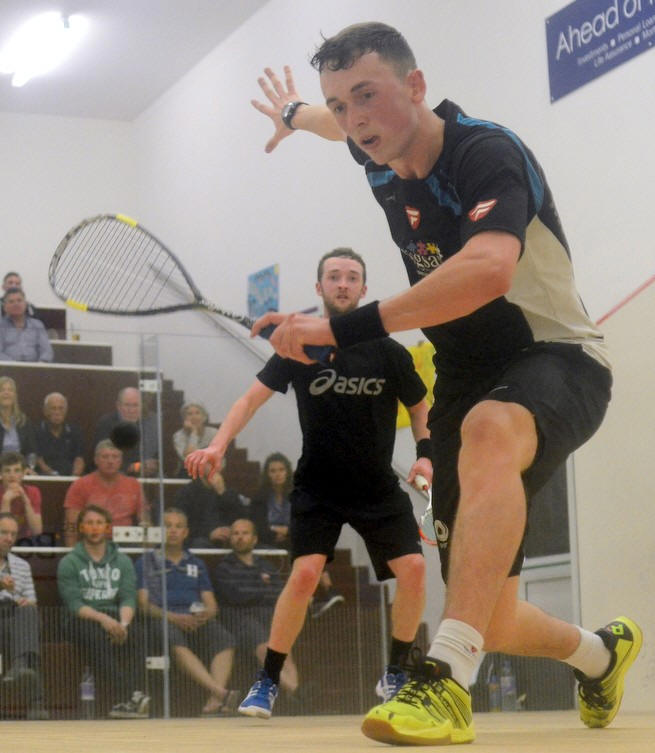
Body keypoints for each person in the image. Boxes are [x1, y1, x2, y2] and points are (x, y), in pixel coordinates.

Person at [250, 22, 641, 745]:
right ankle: (599, 654)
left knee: (490, 429)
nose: (354, 118)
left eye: (366, 95)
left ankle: (447, 680)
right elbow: (332, 127)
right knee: (492, 613)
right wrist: (294, 115)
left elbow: (487, 270)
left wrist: (341, 328)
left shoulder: (484, 152)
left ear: (416, 86)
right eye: (340, 104)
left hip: (556, 355)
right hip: (465, 379)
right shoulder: (374, 152)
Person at [187, 247, 431, 719]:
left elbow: (420, 407)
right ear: (319, 287)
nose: (343, 284)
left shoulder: (389, 353)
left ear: (364, 289)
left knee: (416, 571)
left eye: (352, 277)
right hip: (318, 487)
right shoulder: (297, 348)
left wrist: (425, 455)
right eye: (334, 276)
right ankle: (267, 681)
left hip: (377, 487)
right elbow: (249, 400)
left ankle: (396, 672)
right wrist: (217, 445)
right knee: (303, 575)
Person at [136, 508, 237, 715]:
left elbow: (212, 605)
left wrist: (204, 615)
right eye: (167, 526)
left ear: (186, 532)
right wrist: (174, 618)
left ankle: (214, 700)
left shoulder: (196, 563)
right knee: (174, 641)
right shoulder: (146, 562)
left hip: (195, 620)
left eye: (178, 526)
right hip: (164, 618)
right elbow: (143, 604)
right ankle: (220, 693)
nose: (173, 530)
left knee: (225, 639)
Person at [57, 505, 150, 718]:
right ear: (81, 527)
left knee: (139, 633)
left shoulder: (123, 561)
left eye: (99, 523)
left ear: (107, 528)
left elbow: (128, 597)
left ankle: (127, 701)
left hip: (117, 617)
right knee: (95, 635)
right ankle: (130, 696)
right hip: (82, 619)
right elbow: (74, 605)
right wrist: (104, 620)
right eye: (89, 523)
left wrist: (123, 625)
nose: (95, 527)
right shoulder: (69, 562)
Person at [212, 519, 299, 703]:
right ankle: (296, 691)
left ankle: (296, 699)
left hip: (267, 615)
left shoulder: (267, 566)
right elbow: (236, 596)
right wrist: (262, 588)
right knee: (264, 647)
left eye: (245, 533)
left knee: (285, 648)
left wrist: (255, 589)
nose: (240, 537)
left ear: (254, 539)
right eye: (235, 533)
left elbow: (278, 593)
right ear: (230, 538)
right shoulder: (223, 567)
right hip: (238, 617)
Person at [252, 452, 343, 617]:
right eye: (273, 471)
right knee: (303, 546)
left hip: (293, 539)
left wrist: (285, 531)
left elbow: (304, 521)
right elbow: (259, 527)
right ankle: (318, 595)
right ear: (267, 474)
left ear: (287, 471)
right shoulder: (260, 497)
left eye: (281, 470)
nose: (277, 474)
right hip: (269, 541)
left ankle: (322, 592)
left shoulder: (297, 494)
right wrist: (282, 531)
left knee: (310, 543)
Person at [0, 512, 48, 719]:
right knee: (27, 641)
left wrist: (24, 601)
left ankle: (19, 666)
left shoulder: (22, 566)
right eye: (4, 533)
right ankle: (37, 702)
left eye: (13, 534)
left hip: (14, 619)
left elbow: (32, 600)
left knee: (28, 612)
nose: (9, 538)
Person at [63, 440, 148, 547]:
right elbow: (71, 525)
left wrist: (149, 551)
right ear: (96, 460)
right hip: (91, 543)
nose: (110, 461)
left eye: (115, 457)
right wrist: (73, 553)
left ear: (121, 460)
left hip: (126, 545)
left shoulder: (134, 485)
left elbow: (145, 521)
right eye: (105, 457)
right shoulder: (80, 485)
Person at [92, 387, 158, 477]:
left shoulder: (149, 424)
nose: (131, 410)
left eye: (135, 405)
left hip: (149, 477)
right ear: (118, 406)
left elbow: (157, 455)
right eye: (127, 405)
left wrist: (153, 465)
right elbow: (104, 458)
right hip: (116, 476)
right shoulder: (106, 424)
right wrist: (136, 467)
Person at [35, 392, 85, 477]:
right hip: (45, 478)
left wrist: (73, 478)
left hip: (70, 477)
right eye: (53, 408)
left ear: (66, 411)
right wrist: (53, 476)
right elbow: (37, 459)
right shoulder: (36, 431)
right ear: (45, 411)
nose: (57, 412)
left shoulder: (75, 431)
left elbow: (79, 459)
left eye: (61, 408)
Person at [0, 288, 53, 363]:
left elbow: (47, 351)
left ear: (25, 304)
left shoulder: (37, 325)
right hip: (7, 368)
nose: (16, 304)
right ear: (5, 307)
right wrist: (15, 365)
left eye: (19, 300)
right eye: (11, 301)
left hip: (36, 368)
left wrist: (41, 364)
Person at [0, 452, 43, 541]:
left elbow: (37, 531)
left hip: (25, 542)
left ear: (23, 473)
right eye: (7, 471)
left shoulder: (33, 492)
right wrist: (6, 502)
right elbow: (3, 533)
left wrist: (26, 501)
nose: (12, 475)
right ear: (1, 474)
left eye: (16, 470)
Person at [172, 402, 217, 478]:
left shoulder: (214, 433)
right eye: (189, 414)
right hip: (188, 472)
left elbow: (219, 457)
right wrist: (194, 433)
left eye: (197, 413)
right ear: (184, 419)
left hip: (212, 471)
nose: (194, 417)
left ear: (204, 417)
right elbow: (188, 458)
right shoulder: (178, 436)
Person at [0, 376, 37, 460]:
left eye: (10, 390)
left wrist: (29, 466)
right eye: (2, 390)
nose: (6, 393)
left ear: (15, 395)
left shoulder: (24, 421)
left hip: (20, 466)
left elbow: (31, 451)